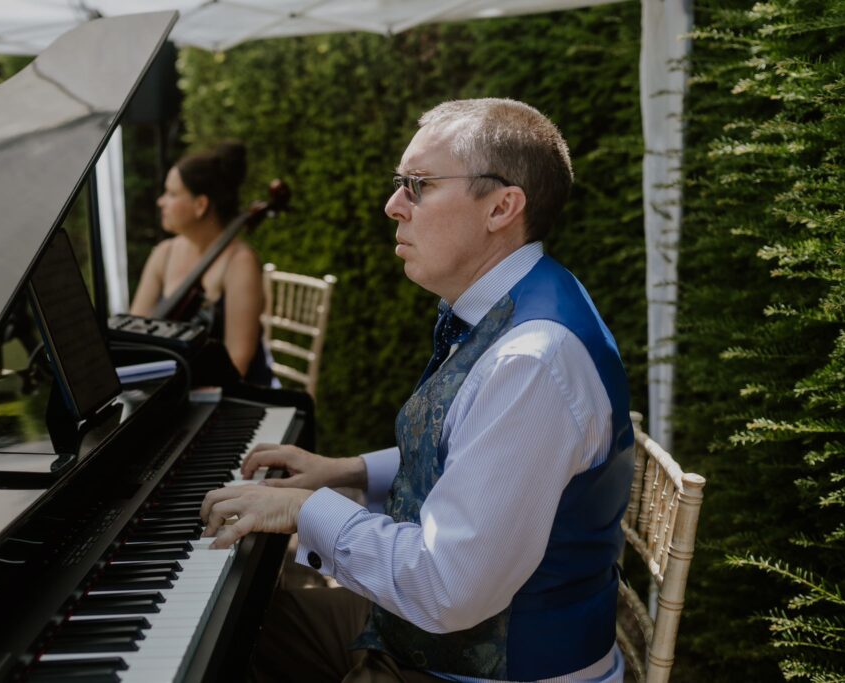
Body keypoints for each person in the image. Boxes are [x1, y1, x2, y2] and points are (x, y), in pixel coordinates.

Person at [200, 99, 634, 682]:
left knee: (218, 645)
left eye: (417, 186)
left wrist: (305, 508)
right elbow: (477, 453)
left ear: (502, 207)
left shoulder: (531, 361)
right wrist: (348, 471)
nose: (392, 206)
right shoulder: (516, 302)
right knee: (232, 620)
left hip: (484, 669)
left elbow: (447, 589)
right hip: (438, 642)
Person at [130, 141, 272, 386]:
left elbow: (237, 362)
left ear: (200, 205)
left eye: (172, 193)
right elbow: (132, 333)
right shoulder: (164, 253)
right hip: (178, 390)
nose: (161, 202)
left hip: (230, 397)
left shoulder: (240, 263)